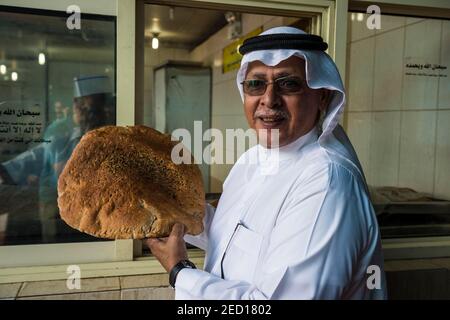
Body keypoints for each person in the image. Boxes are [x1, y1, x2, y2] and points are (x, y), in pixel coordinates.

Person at [146, 26, 387, 299]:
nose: (269, 100)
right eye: (256, 84)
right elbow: (232, 235)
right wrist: (172, 210)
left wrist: (180, 270)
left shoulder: (327, 181)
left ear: (322, 95)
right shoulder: (253, 158)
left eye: (288, 84)